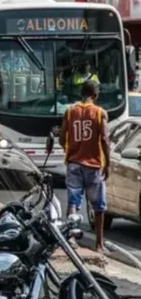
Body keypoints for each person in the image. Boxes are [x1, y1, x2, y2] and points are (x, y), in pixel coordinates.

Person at [60, 80, 110, 252]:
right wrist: (107, 164)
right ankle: (99, 244)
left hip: (74, 163)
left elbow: (62, 137)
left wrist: (70, 149)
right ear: (95, 95)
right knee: (98, 206)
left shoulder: (70, 111)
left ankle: (71, 238)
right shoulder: (99, 113)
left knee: (73, 202)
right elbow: (104, 139)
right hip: (94, 165)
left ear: (81, 93)